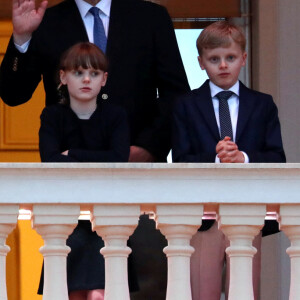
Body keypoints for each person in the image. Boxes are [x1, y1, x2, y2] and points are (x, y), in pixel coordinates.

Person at [0, 0, 190, 298]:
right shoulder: (47, 20)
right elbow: (13, 94)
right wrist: (22, 39)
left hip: (139, 177)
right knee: (74, 287)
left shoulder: (150, 16)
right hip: (72, 187)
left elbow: (176, 96)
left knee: (145, 284)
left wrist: (147, 148)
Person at [172, 21, 286, 300]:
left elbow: (276, 157)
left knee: (246, 293)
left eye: (230, 58)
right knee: (201, 292)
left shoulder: (263, 104)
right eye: (214, 59)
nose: (223, 65)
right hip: (203, 217)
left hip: (247, 213)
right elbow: (181, 159)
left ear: (243, 59)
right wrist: (216, 158)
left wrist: (242, 157)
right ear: (201, 63)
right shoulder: (186, 105)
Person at [38, 42, 130, 300]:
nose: (87, 79)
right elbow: (51, 161)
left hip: (107, 218)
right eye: (78, 73)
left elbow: (118, 159)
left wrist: (74, 154)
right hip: (67, 220)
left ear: (104, 79)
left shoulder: (115, 116)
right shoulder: (53, 116)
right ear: (63, 77)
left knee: (102, 294)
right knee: (70, 293)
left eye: (94, 73)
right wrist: (91, 160)